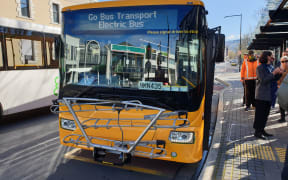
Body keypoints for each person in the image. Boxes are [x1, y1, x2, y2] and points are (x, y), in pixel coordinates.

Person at [253, 51, 282, 140]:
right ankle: (257, 132)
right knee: (260, 115)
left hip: (269, 94)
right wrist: (274, 73)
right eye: (272, 55)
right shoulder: (260, 68)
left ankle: (262, 130)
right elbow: (264, 80)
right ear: (267, 57)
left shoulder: (271, 66)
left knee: (265, 115)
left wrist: (279, 73)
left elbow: (273, 79)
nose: (273, 57)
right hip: (262, 95)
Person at [278, 56, 288, 123]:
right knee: (281, 104)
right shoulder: (279, 70)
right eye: (282, 61)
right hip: (281, 91)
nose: (285, 63)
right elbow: (277, 80)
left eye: (286, 61)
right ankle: (282, 117)